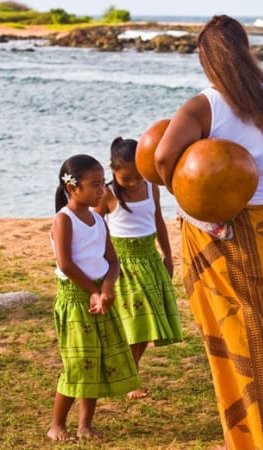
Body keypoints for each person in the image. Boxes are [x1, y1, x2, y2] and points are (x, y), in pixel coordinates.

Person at [154, 15, 263, 450]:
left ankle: (260, 435)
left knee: (241, 335)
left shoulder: (203, 106)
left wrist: (193, 203)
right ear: (245, 50)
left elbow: (161, 160)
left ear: (207, 59)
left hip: (227, 227)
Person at [48, 154, 140, 441]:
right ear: (72, 188)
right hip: (77, 298)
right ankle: (56, 425)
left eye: (102, 184)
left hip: (101, 295)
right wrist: (93, 291)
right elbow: (65, 264)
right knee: (77, 363)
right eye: (94, 185)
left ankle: (85, 425)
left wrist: (108, 288)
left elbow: (113, 261)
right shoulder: (64, 220)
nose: (101, 190)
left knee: (96, 360)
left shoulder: (98, 220)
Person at [94, 137, 183, 400]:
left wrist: (167, 255)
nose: (133, 182)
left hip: (150, 260)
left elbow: (158, 221)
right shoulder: (108, 193)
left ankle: (130, 373)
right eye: (126, 178)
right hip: (123, 264)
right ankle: (127, 377)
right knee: (133, 326)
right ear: (113, 172)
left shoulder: (152, 187)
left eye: (137, 176)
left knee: (145, 327)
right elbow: (94, 227)